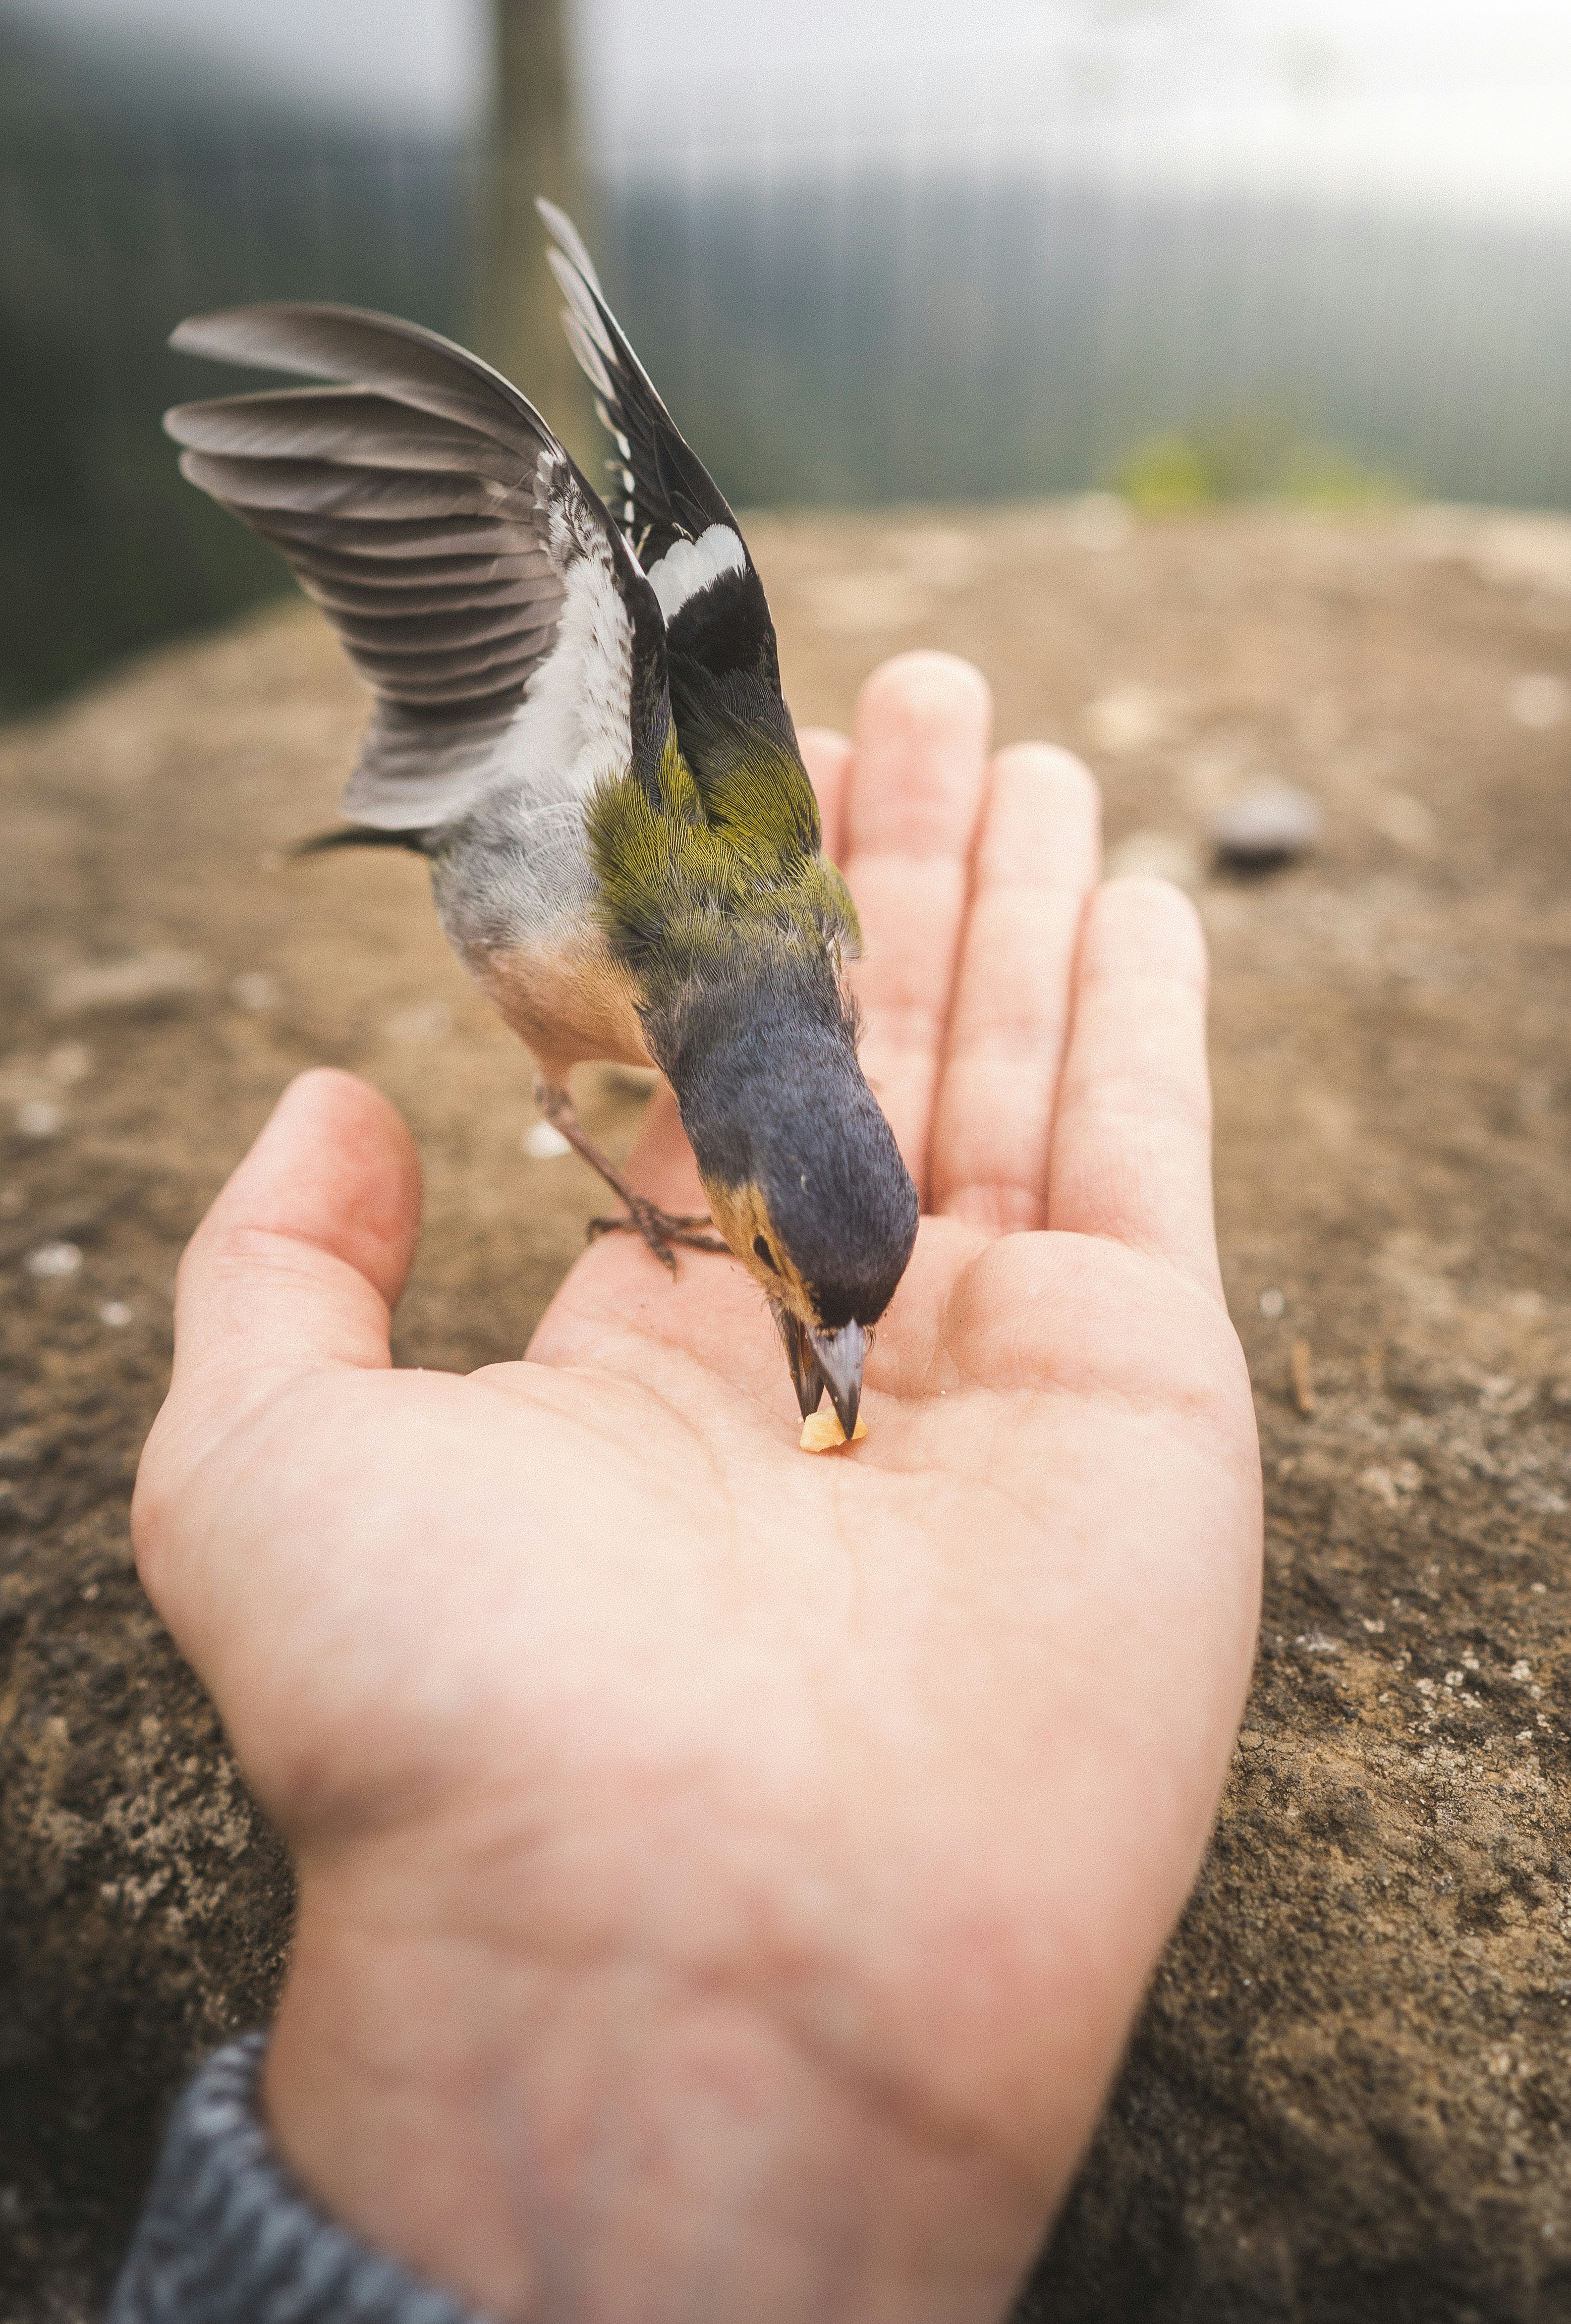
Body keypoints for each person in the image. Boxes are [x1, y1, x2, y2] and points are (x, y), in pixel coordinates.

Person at [114, 655, 1262, 2322]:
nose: (825, 1354)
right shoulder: (653, 980)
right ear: (733, 1185)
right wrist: (650, 1208)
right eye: (794, 1277)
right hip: (545, 884)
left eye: (828, 1318)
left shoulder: (814, 991)